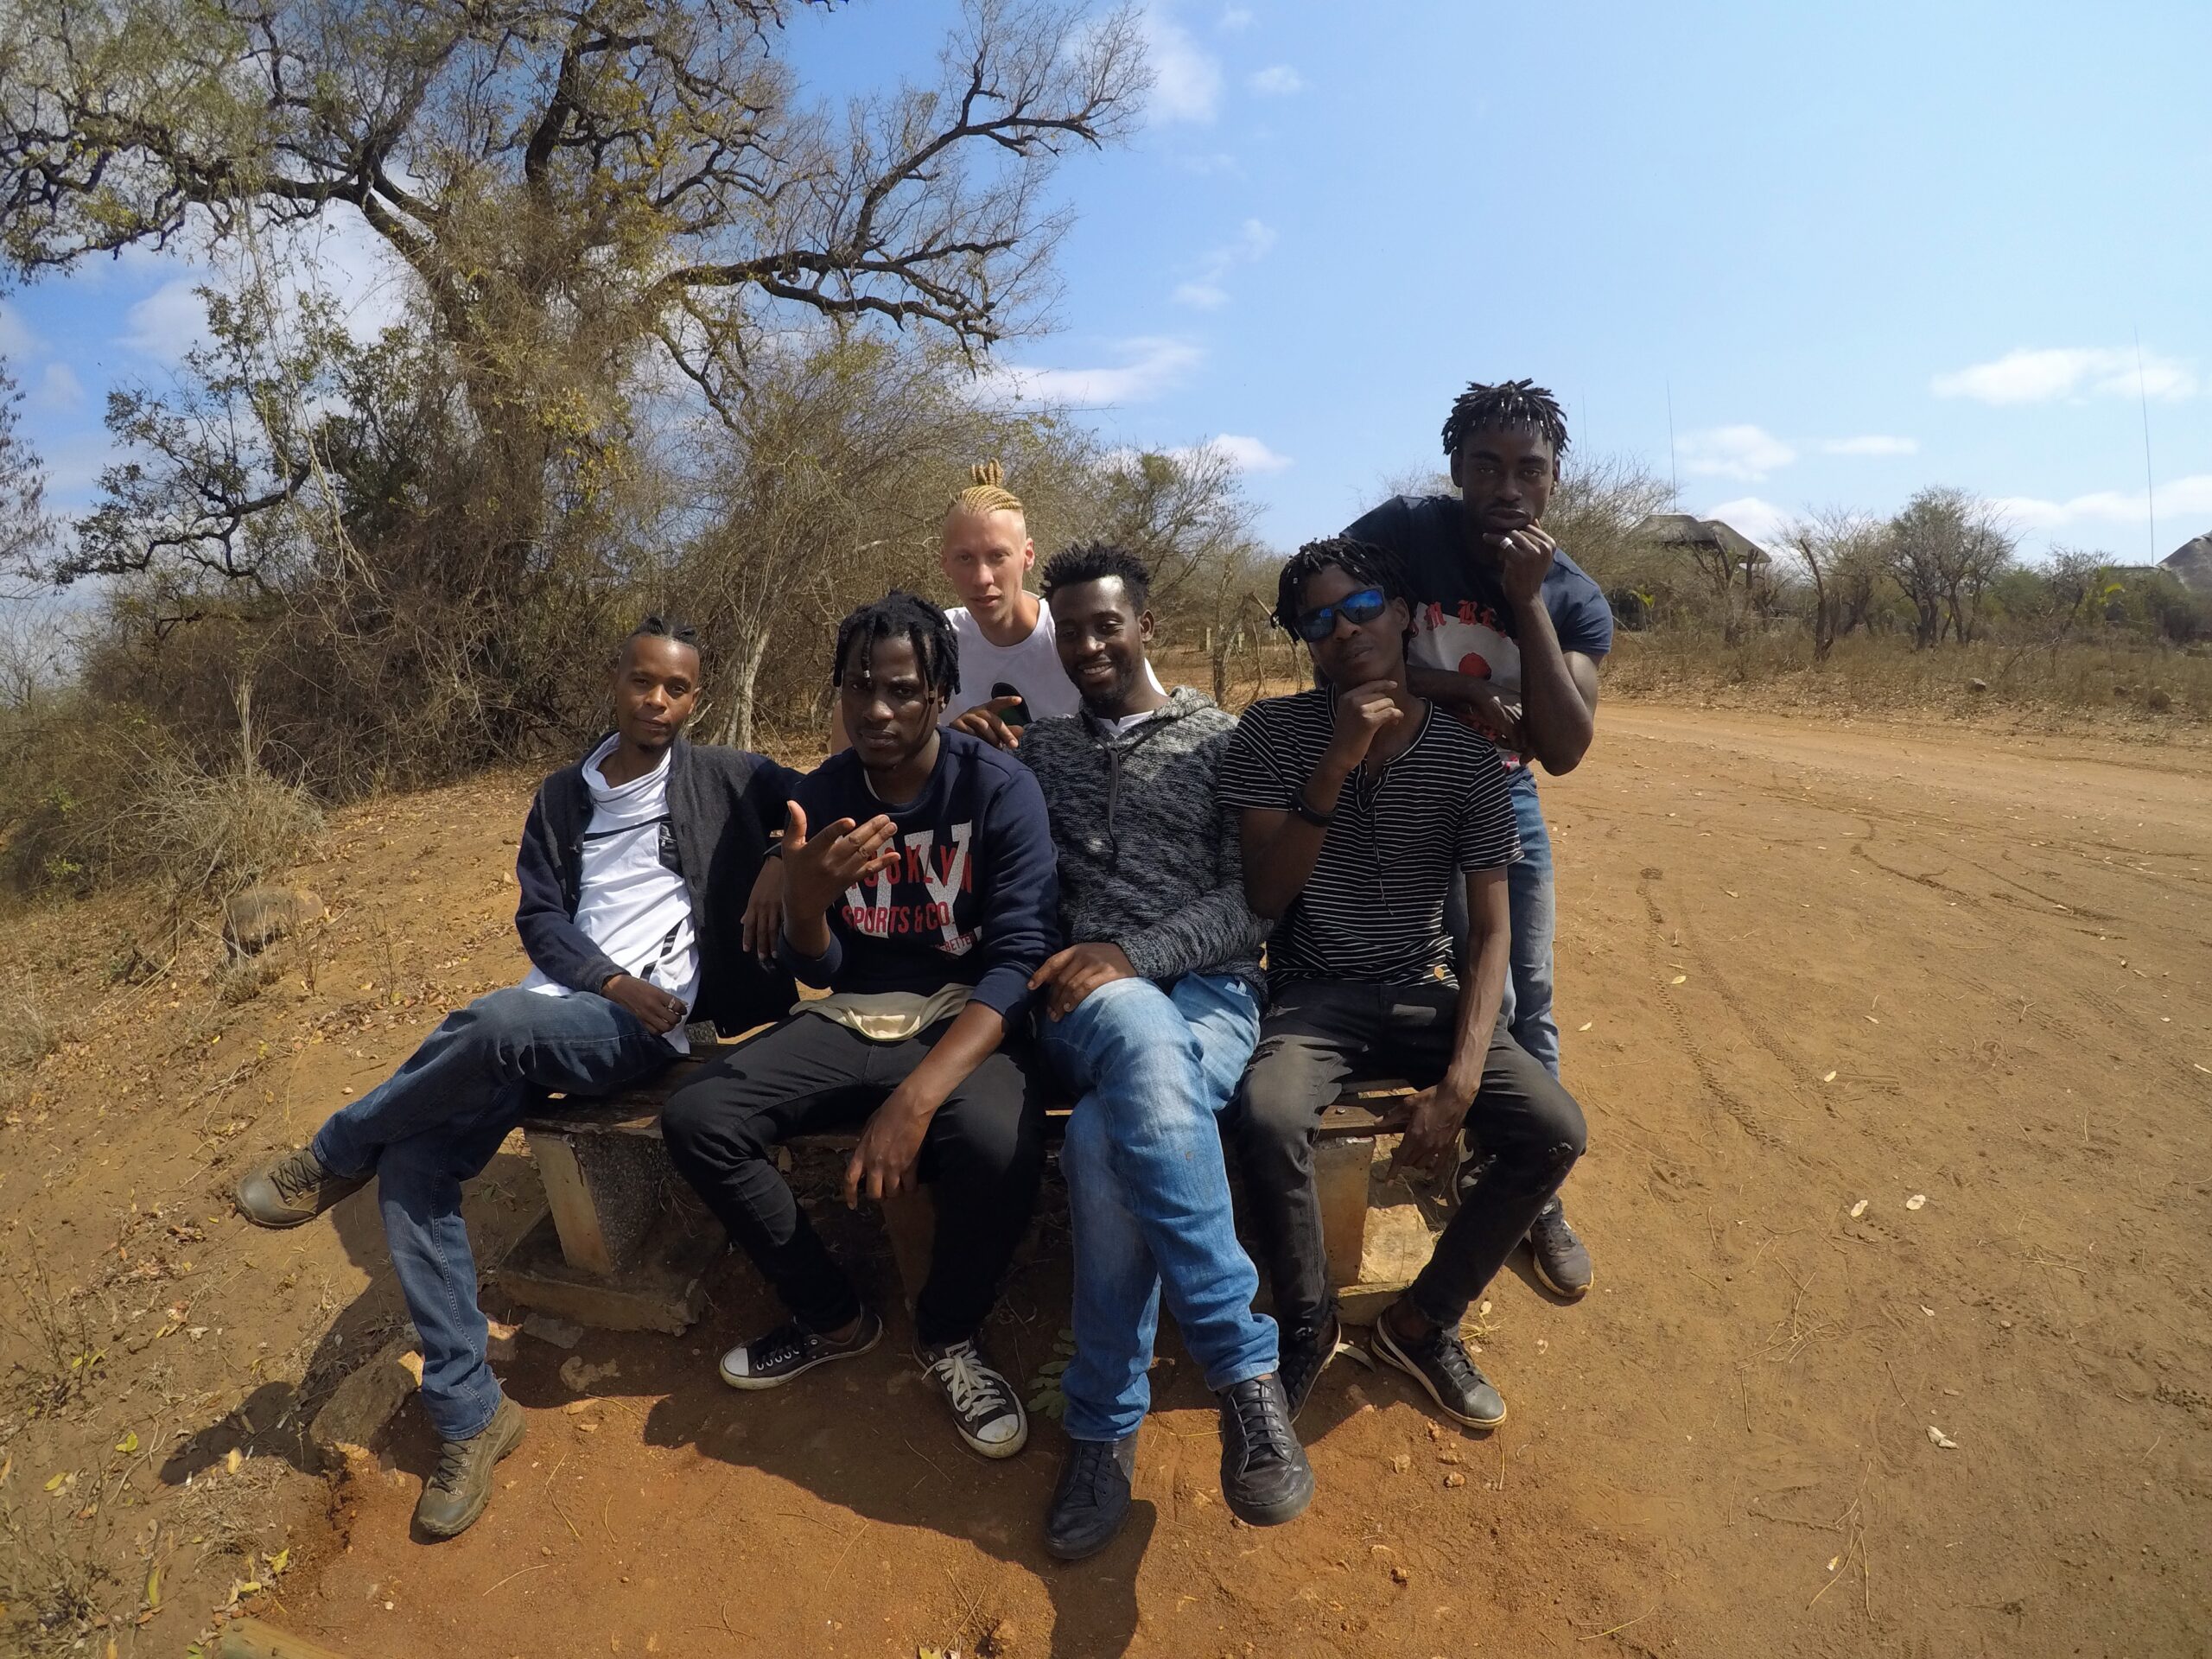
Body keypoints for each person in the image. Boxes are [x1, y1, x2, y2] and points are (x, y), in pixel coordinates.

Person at [233, 618, 794, 1538]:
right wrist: (602, 976)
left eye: (678, 688)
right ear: (616, 680)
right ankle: (471, 1416)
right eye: (644, 681)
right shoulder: (564, 796)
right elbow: (539, 918)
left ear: (698, 698)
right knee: (415, 1167)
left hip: (643, 1027)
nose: (658, 701)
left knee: (492, 1023)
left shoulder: (727, 776)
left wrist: (775, 859)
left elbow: (834, 802)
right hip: (561, 1009)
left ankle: (334, 1152)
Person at [659, 593, 1058, 1458]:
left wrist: (913, 1102)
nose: (877, 710)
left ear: (940, 693)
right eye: (859, 687)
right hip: (854, 1015)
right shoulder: (823, 796)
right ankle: (831, 1316)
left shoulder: (996, 790)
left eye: (902, 690)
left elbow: (1017, 963)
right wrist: (808, 903)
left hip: (963, 1014)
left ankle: (948, 1335)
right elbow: (823, 971)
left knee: (996, 1142)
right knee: (699, 1117)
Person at [1219, 539, 1588, 1428]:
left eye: (1360, 607)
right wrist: (1335, 764)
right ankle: (1307, 1320)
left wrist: (1461, 1079)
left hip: (1421, 990)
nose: (1344, 631)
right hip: (1313, 993)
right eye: (1319, 621)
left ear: (1401, 614)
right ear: (1305, 642)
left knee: (1553, 1131)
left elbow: (1490, 930)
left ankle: (1422, 1324)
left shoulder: (1468, 761)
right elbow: (1266, 897)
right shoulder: (1271, 734)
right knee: (1267, 1115)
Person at [1011, 542, 1313, 1560]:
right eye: (1070, 631)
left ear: (1145, 625)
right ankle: (1244, 1370)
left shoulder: (1221, 742)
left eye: (1106, 624)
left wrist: (1136, 954)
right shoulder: (1040, 751)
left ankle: (1101, 1426)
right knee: (1136, 1029)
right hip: (1086, 1003)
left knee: (1103, 1137)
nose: (1088, 645)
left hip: (1214, 991)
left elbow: (1252, 903)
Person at [1344, 379, 1612, 1299]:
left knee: (1523, 992)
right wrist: (1461, 688)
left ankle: (1532, 1187)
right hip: (1390, 789)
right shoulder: (1405, 533)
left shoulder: (1573, 597)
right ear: (1456, 469)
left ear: (1554, 480)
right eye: (1487, 467)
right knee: (1366, 971)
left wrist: (1524, 602)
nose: (1508, 488)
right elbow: (1331, 630)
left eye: (1529, 471)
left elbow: (1563, 748)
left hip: (1500, 800)